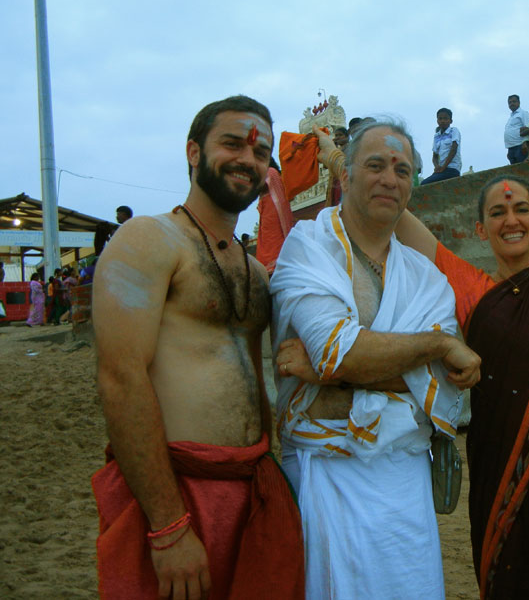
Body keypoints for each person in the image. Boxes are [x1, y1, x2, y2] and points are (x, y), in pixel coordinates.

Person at [296, 129, 529, 598]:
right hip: (501, 463)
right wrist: (342, 160)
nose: (511, 220)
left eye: (521, 209)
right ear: (480, 229)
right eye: (497, 212)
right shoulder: (469, 290)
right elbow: (397, 210)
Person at [91, 95, 304, 598]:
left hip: (252, 492)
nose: (247, 160)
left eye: (260, 153)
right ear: (192, 151)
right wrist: (168, 528)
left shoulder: (255, 272)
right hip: (174, 496)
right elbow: (121, 378)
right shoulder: (147, 240)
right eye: (232, 143)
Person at [272, 119, 481, 599]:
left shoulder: (426, 277)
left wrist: (341, 374)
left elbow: (448, 392)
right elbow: (336, 351)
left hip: (405, 483)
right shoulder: (307, 248)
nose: (390, 178)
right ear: (344, 173)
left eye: (403, 169)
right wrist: (434, 346)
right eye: (376, 165)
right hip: (327, 476)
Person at [256, 156, 295, 274]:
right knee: (266, 241)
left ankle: (274, 265)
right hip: (267, 212)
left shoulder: (271, 172)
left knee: (273, 239)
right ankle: (267, 266)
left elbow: (258, 186)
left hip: (274, 215)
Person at [422, 107, 462, 184]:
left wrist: (443, 167)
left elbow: (453, 149)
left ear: (451, 121)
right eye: (440, 119)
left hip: (452, 169)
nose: (442, 121)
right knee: (424, 184)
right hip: (441, 171)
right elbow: (435, 156)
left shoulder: (454, 131)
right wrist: (437, 166)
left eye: (445, 118)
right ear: (437, 121)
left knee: (425, 183)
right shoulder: (437, 136)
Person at [504, 94, 529, 164]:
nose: (511, 104)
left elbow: (528, 128)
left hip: (520, 146)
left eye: (514, 101)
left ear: (519, 102)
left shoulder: (523, 113)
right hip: (511, 148)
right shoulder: (511, 117)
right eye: (510, 102)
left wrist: (525, 143)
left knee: (523, 168)